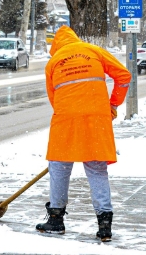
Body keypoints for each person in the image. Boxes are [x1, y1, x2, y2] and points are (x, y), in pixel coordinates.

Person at [35, 26, 132, 242]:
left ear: (56, 45)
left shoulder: (53, 62)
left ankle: (56, 219)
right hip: (96, 118)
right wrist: (113, 104)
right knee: (97, 170)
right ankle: (104, 224)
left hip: (65, 118)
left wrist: (69, 111)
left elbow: (54, 98)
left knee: (59, 166)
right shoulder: (93, 50)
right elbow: (124, 76)